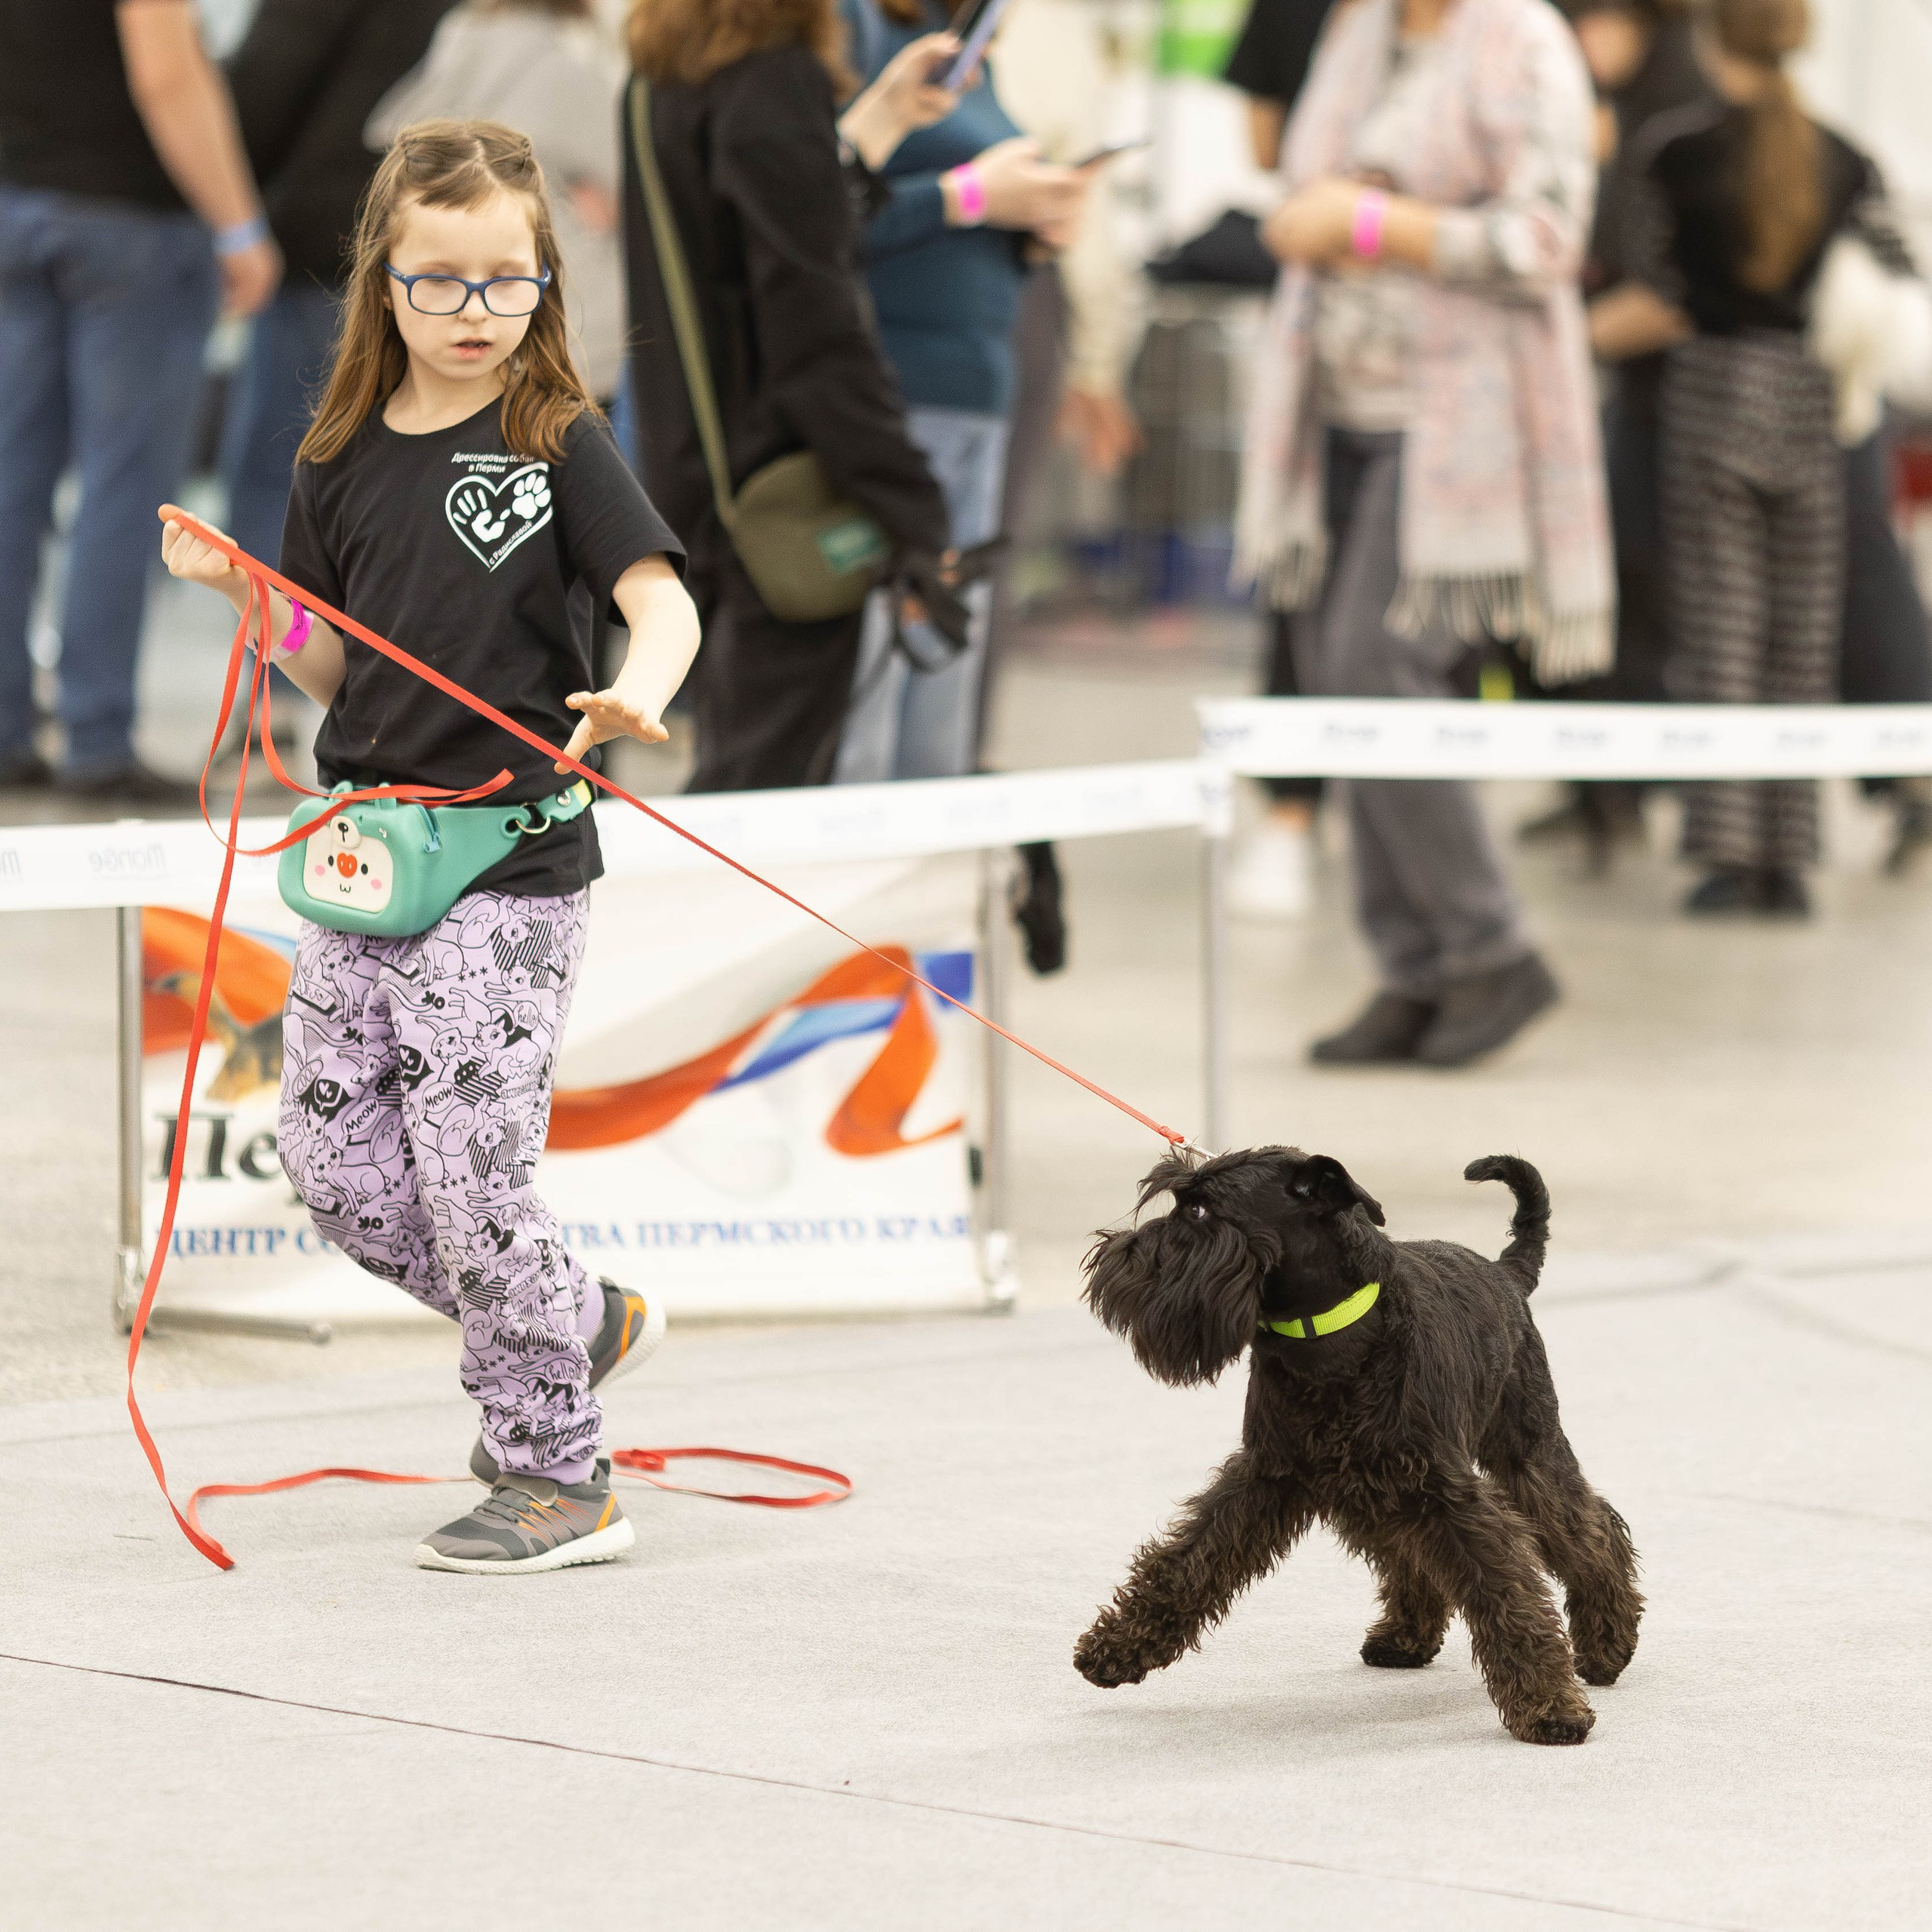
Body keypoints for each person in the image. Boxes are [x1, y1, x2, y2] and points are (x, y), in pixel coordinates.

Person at [158, 120, 699, 1574]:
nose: (474, 313)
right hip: (363, 859)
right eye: (440, 283)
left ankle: (559, 1474)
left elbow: (663, 597)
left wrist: (639, 688)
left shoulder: (555, 438)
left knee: (475, 1184)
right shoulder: (333, 456)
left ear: (544, 288)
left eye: (506, 284)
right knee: (337, 1169)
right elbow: (336, 670)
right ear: (381, 284)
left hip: (510, 870)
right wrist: (242, 597)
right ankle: (572, 1323)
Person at [1237, 0, 1611, 1067]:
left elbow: (1546, 236)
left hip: (1460, 429)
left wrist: (1365, 227)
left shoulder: (1522, 36)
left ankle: (1491, 949)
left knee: (1373, 666)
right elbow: (1304, 181)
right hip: (1333, 413)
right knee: (1331, 678)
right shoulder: (1359, 33)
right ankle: (1415, 967)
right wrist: (1313, 217)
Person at [1601, 0, 1912, 915]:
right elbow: (1895, 270)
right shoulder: (1848, 156)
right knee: (1799, 639)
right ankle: (1788, 859)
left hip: (1710, 400)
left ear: (1709, 37)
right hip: (1817, 406)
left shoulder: (1671, 151)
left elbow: (1657, 290)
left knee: (1722, 632)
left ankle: (1728, 855)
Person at [623, 0, 961, 792]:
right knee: (756, 799)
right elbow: (817, 333)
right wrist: (916, 512)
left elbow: (764, 242)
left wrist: (882, 117)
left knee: (738, 774)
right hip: (778, 501)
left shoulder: (661, 75)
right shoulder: (773, 80)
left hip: (696, 481)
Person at [0, 0, 280, 801]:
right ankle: (94, 734)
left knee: (13, 485)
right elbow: (164, 71)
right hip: (129, 225)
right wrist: (239, 227)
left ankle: (8, 727)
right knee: (126, 490)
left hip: (20, 204)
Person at [832, 0, 1090, 785]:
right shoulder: (854, 32)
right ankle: (843, 889)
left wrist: (1032, 224)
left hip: (978, 386)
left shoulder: (965, 46)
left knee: (945, 670)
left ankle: (920, 892)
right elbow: (820, 215)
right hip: (890, 388)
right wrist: (973, 197)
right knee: (873, 675)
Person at [220, 0, 459, 576]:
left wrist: (231, 212)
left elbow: (261, 91)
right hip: (435, 251)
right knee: (408, 480)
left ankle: (282, 657)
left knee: (287, 474)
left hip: (330, 245)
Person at [1221, 0, 1342, 918]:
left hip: (1444, 366)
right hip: (1320, 337)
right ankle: (1295, 815)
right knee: (1300, 582)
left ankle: (1320, 818)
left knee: (1386, 628)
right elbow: (1270, 152)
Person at [368, 0, 628, 405]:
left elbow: (389, 134)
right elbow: (634, 188)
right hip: (565, 328)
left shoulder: (457, 47)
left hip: (458, 336)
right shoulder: (563, 70)